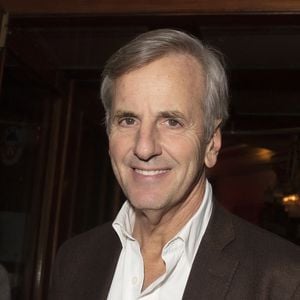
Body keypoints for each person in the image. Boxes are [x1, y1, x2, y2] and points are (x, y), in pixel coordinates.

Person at [49, 29, 300, 300]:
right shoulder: (74, 261)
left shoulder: (283, 280)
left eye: (172, 122)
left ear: (211, 144)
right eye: (128, 120)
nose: (144, 147)